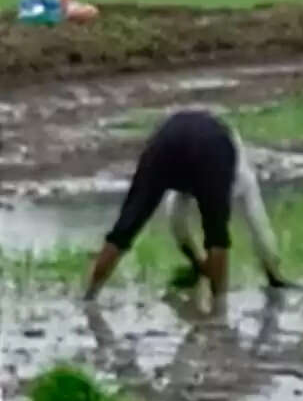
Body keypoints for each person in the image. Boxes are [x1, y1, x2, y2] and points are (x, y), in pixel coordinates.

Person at [83, 106, 287, 300]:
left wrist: (200, 264)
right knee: (217, 236)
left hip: (166, 139)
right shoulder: (238, 174)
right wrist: (274, 275)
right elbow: (257, 225)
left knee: (126, 225)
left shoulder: (229, 176)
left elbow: (177, 223)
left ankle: (89, 297)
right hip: (211, 147)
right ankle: (219, 313)